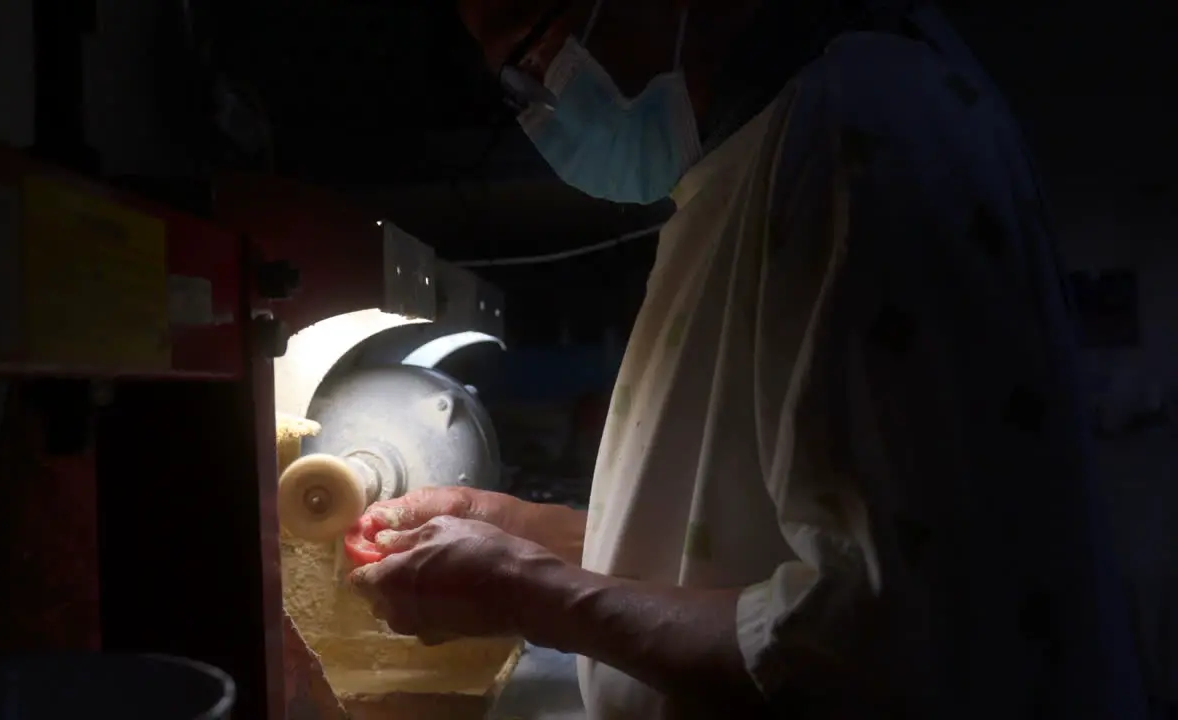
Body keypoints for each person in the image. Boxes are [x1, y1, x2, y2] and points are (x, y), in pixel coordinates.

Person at [351, 0, 1149, 717]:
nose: (534, 99)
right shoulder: (771, 143)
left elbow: (882, 647)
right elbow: (761, 544)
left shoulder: (859, 130)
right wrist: (537, 533)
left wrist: (529, 591)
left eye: (529, 45)